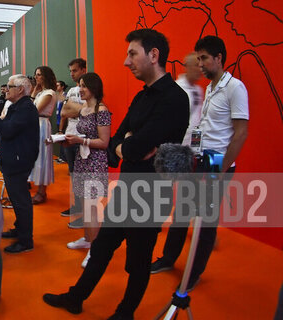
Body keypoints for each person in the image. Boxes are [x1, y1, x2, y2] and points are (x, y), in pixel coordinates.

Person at [43, 29, 189, 319]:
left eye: (132, 53)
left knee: (138, 260)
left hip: (151, 193)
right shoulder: (141, 97)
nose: (126, 61)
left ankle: (125, 313)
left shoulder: (174, 99)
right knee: (102, 247)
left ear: (154, 55)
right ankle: (76, 297)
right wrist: (130, 146)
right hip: (126, 189)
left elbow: (133, 144)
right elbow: (118, 145)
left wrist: (130, 145)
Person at [151, 35, 249, 292]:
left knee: (206, 223)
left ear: (219, 58)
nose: (200, 64)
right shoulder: (210, 88)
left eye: (204, 58)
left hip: (217, 162)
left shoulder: (235, 87)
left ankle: (193, 274)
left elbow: (240, 133)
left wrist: (220, 170)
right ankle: (169, 259)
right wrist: (191, 155)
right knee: (182, 212)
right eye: (199, 58)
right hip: (198, 159)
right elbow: (202, 127)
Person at [0, 74, 39, 254]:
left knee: (20, 200)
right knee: (16, 198)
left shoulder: (26, 108)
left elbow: (7, 130)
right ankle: (20, 229)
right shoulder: (19, 106)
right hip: (14, 159)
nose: (5, 89)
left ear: (20, 89)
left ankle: (25, 240)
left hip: (18, 161)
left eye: (9, 85)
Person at [61, 73, 111, 268]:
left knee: (92, 207)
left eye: (83, 86)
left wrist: (80, 140)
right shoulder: (84, 109)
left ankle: (96, 249)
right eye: (79, 85)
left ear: (94, 88)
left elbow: (104, 142)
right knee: (85, 203)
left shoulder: (102, 110)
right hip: (83, 159)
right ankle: (87, 239)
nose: (80, 89)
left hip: (95, 162)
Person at [60, 58, 88, 218]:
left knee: (84, 174)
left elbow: (91, 110)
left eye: (75, 70)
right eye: (70, 71)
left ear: (83, 70)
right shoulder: (71, 91)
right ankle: (78, 205)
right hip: (70, 134)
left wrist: (77, 109)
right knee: (73, 173)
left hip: (84, 137)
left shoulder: (91, 86)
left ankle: (86, 210)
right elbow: (64, 112)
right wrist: (81, 110)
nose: (71, 74)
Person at [28, 66, 57, 204]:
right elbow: (30, 106)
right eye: (35, 74)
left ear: (45, 76)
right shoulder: (41, 92)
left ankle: (42, 191)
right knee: (36, 157)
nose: (36, 77)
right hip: (36, 125)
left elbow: (33, 110)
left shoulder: (49, 93)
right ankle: (39, 190)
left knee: (43, 157)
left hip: (42, 125)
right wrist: (34, 90)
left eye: (39, 74)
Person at [177, 52, 204, 146]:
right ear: (187, 67)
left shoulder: (199, 90)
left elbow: (197, 119)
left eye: (200, 66)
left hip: (195, 140)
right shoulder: (177, 88)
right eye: (196, 65)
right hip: (181, 144)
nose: (199, 69)